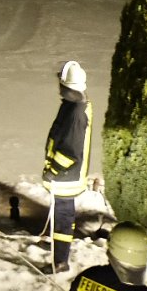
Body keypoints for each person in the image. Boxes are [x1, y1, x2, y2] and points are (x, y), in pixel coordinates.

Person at [42, 60, 93, 273]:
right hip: (66, 176)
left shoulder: (74, 114)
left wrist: (53, 170)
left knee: (63, 219)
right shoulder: (75, 105)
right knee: (60, 215)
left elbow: (70, 152)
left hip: (65, 178)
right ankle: (57, 246)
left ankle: (60, 261)